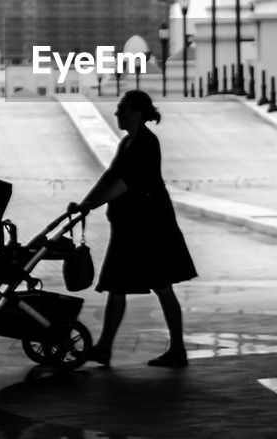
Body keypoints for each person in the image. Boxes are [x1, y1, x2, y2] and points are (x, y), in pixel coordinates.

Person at [68, 89, 197, 367]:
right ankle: (104, 348)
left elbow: (124, 182)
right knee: (117, 285)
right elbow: (110, 175)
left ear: (137, 112)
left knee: (162, 286)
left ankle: (177, 349)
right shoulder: (128, 142)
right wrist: (86, 202)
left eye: (122, 109)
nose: (117, 114)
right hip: (130, 225)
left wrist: (89, 205)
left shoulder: (146, 144)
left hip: (150, 227)